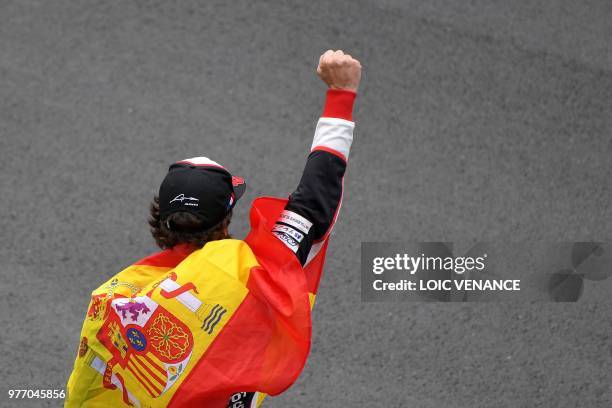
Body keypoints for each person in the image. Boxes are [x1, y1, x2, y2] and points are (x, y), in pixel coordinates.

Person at [65, 49, 362, 408]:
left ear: (160, 218)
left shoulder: (113, 299)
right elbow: (315, 202)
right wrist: (340, 97)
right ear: (225, 218)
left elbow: (82, 390)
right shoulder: (255, 276)